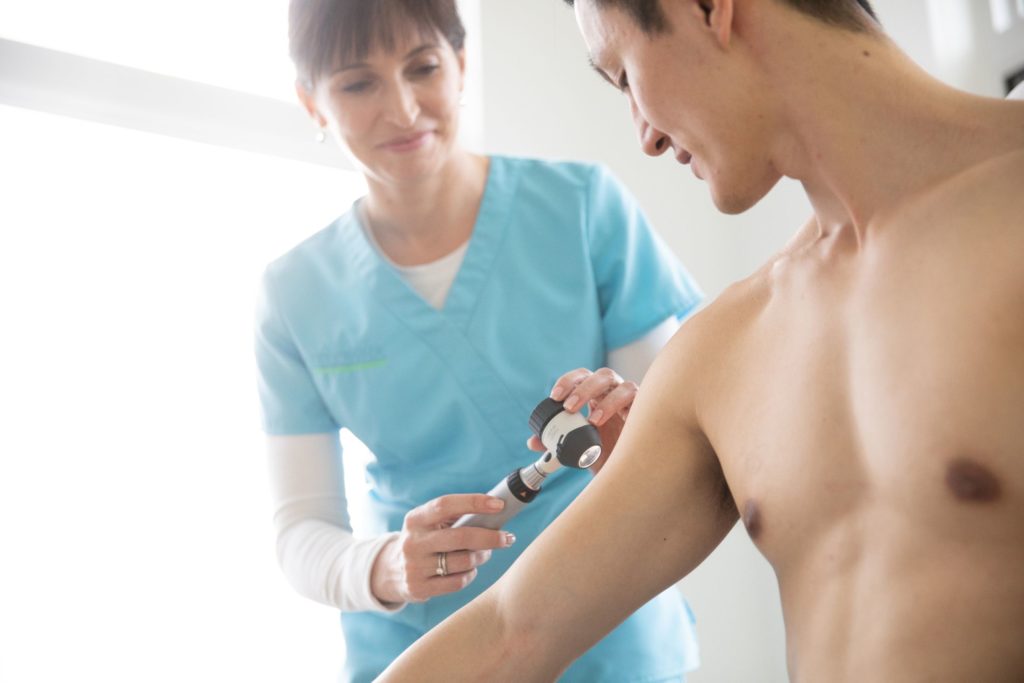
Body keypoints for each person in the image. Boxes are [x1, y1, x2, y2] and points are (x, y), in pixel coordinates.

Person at [378, 0, 1024, 680]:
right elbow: (513, 629)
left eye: (625, 75)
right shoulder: (723, 351)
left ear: (712, 8)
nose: (646, 138)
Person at [253, 1, 706, 680]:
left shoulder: (582, 208)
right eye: (357, 83)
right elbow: (300, 531)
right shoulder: (294, 295)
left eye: (423, 67)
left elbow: (670, 446)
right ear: (312, 104)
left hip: (609, 630)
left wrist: (627, 426)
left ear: (462, 65)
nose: (404, 110)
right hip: (427, 647)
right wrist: (385, 567)